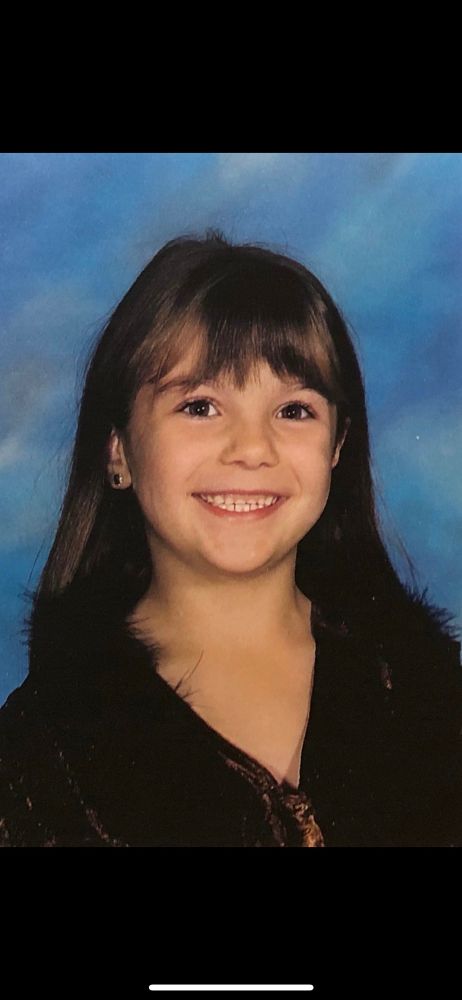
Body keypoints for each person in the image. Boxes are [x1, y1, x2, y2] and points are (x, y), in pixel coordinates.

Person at [1, 229, 461, 847]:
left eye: (293, 411)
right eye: (200, 406)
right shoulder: (39, 757)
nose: (251, 449)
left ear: (337, 447)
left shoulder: (426, 696)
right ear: (118, 449)